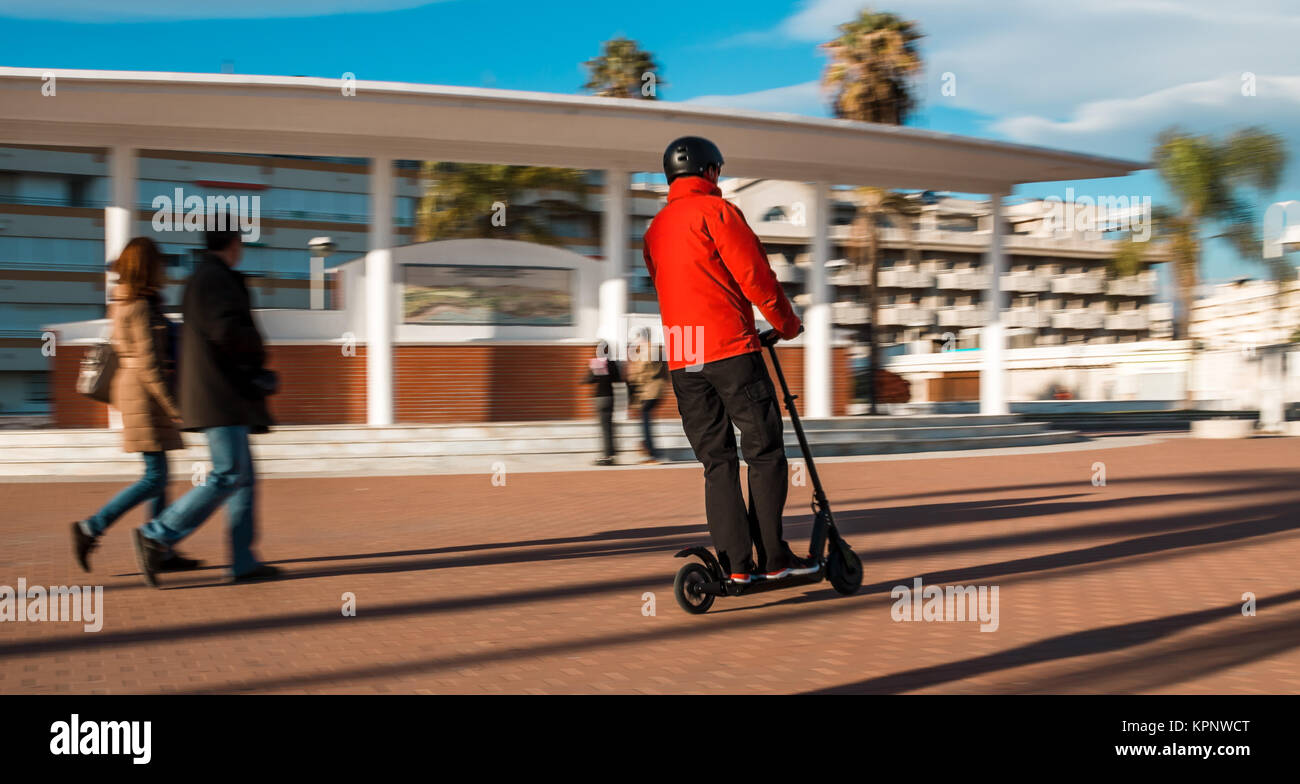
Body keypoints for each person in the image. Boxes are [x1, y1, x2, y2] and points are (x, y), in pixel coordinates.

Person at [642, 136, 816, 584]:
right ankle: (774, 557)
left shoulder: (655, 229)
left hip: (684, 357)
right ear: (711, 172)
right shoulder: (718, 212)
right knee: (764, 450)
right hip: (730, 349)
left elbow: (664, 282)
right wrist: (787, 324)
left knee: (717, 462)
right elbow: (755, 275)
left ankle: (736, 567)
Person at [132, 225, 281, 586]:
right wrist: (256, 355)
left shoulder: (204, 277)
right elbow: (226, 331)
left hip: (223, 396)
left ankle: (243, 560)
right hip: (221, 397)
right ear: (234, 243)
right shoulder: (215, 279)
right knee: (228, 475)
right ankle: (158, 533)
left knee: (242, 479)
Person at [71, 237, 201, 574]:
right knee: (155, 478)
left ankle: (162, 549)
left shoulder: (130, 300)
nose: (164, 268)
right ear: (148, 267)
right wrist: (173, 406)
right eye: (159, 262)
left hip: (138, 393)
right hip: (144, 396)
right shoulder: (139, 306)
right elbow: (149, 365)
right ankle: (92, 527)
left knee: (159, 475)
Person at [625, 328, 666, 464]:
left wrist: (632, 374)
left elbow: (640, 371)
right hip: (656, 390)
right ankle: (649, 449)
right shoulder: (656, 350)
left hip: (649, 391)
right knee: (645, 419)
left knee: (645, 420)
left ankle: (651, 453)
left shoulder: (647, 350)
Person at [583, 340, 622, 466]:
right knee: (609, 426)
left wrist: (592, 371)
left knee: (604, 428)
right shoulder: (612, 363)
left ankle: (607, 455)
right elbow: (618, 379)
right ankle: (611, 453)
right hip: (610, 397)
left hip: (599, 398)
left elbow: (588, 380)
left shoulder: (596, 363)